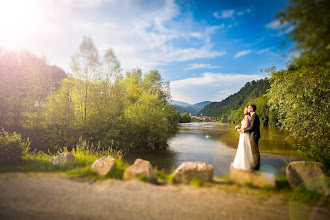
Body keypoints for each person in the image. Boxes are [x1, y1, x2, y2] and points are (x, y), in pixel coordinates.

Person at [232, 106, 258, 170]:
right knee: (245, 147)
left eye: (245, 109)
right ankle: (249, 163)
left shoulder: (246, 117)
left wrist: (240, 129)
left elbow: (246, 125)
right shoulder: (248, 116)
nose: (244, 110)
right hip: (245, 133)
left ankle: (243, 164)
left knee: (243, 147)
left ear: (247, 111)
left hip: (244, 134)